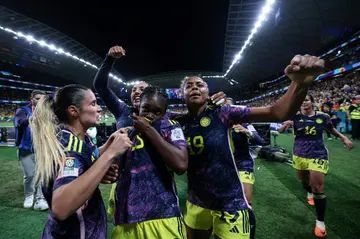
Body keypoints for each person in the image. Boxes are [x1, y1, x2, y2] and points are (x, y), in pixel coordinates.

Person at [175, 54, 326, 239]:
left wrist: (300, 85)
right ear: (180, 94)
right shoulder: (175, 122)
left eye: (200, 85)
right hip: (196, 202)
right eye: (188, 86)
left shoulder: (224, 113)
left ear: (208, 93)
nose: (194, 88)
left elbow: (277, 112)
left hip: (230, 203)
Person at [93, 45, 226, 214]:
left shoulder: (164, 117)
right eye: (134, 90)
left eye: (142, 89)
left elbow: (192, 117)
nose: (136, 92)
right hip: (126, 185)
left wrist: (210, 105)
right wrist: (110, 59)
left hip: (157, 190)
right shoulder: (123, 111)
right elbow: (100, 86)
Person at [29, 84, 132, 238]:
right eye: (93, 103)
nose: (99, 109)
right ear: (74, 111)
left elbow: (88, 157)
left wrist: (107, 146)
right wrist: (110, 154)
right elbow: (61, 207)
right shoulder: (69, 149)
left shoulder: (79, 137)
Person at [111, 86, 189, 239]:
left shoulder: (170, 127)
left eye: (157, 112)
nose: (150, 115)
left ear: (164, 114)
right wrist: (112, 170)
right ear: (138, 107)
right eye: (146, 109)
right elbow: (116, 168)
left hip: (163, 214)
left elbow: (181, 164)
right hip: (126, 217)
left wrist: (148, 130)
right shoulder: (126, 132)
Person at [278, 94, 354, 238]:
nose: (304, 103)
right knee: (304, 182)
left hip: (318, 154)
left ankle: (320, 222)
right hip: (299, 154)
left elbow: (331, 130)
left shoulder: (323, 117)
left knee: (318, 187)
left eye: (306, 100)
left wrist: (344, 138)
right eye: (301, 101)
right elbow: (280, 131)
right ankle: (309, 192)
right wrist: (285, 125)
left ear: (312, 102)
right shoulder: (294, 116)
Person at [227, 96, 264, 239]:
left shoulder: (244, 123)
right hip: (223, 167)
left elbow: (260, 141)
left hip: (243, 165)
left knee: (246, 203)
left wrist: (245, 131)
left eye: (229, 107)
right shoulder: (216, 125)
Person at [14, 90, 48, 210]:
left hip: (42, 149)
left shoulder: (47, 111)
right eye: (38, 99)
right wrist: (35, 116)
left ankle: (41, 199)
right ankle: (29, 196)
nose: (40, 101)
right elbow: (20, 122)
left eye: (42, 99)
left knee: (42, 175)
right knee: (29, 175)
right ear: (32, 99)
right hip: (26, 149)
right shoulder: (22, 111)